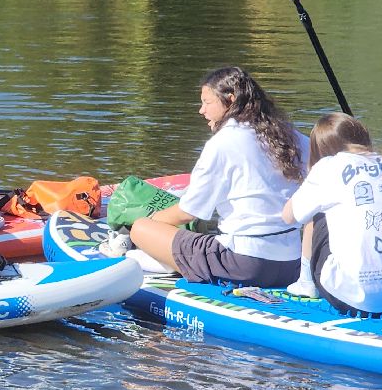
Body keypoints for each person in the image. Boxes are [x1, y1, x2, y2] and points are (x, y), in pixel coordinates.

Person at [129, 66, 309, 287]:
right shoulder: (294, 138)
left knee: (140, 228)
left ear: (230, 100)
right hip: (292, 265)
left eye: (207, 102)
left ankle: (158, 261)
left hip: (244, 265)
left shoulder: (223, 142)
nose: (201, 110)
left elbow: (188, 212)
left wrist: (154, 221)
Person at [282, 112, 382, 316]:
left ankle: (306, 283)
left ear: (322, 149)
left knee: (315, 209)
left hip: (357, 300)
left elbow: (288, 216)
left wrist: (312, 181)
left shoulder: (327, 166)